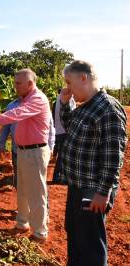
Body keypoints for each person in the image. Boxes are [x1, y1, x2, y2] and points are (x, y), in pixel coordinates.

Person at [0, 68, 53, 242]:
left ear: (30, 83)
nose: (14, 86)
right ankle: (22, 222)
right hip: (22, 151)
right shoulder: (24, 100)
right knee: (22, 189)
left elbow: (14, 115)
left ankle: (40, 232)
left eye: (18, 83)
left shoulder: (37, 99)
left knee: (37, 193)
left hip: (35, 151)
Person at [60, 60, 127, 266]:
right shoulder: (86, 106)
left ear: (83, 78)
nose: (67, 88)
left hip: (93, 189)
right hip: (78, 184)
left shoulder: (108, 109)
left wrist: (103, 192)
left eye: (69, 82)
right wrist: (64, 104)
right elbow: (69, 124)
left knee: (90, 242)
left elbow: (113, 156)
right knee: (75, 232)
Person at [0, 98, 55, 189]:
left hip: (36, 151)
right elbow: (5, 127)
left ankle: (40, 203)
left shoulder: (39, 103)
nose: (17, 87)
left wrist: (50, 146)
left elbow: (50, 127)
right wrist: (1, 145)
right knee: (20, 182)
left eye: (20, 83)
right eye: (16, 84)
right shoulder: (11, 106)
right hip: (17, 150)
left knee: (38, 183)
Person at [51, 89, 75, 185]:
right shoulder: (67, 101)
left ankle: (59, 176)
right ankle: (57, 177)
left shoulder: (56, 102)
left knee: (62, 155)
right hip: (64, 131)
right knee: (63, 156)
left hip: (58, 131)